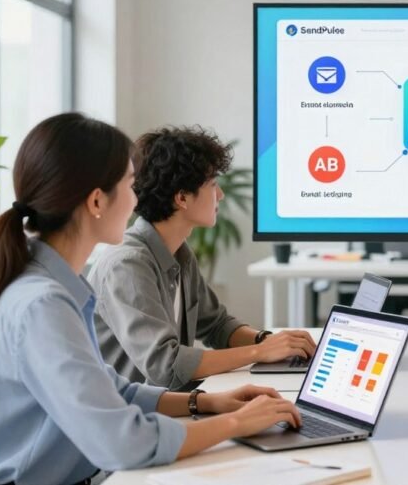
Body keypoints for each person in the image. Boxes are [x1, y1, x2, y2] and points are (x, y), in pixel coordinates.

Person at [0, 113, 302, 484]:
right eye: (131, 185)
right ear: (97, 201)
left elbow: (114, 388)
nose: (137, 201)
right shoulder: (43, 304)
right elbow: (124, 442)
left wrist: (206, 402)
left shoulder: (54, 287)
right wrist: (237, 423)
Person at [88, 126, 315, 389]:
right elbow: (167, 366)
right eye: (213, 185)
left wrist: (268, 341)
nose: (220, 195)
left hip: (167, 406)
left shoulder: (180, 255)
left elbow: (217, 326)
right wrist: (260, 352)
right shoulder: (126, 265)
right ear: (182, 198)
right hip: (131, 418)